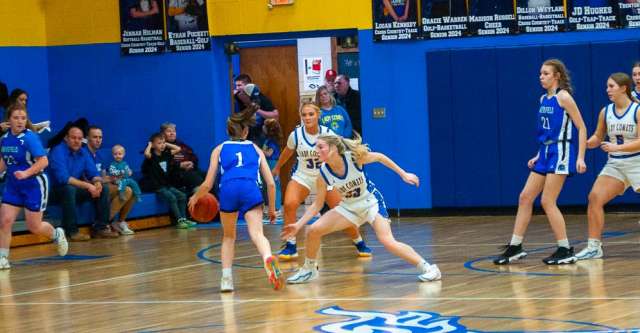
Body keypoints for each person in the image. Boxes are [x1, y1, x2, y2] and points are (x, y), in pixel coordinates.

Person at [281, 134, 441, 284]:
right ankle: (309, 269)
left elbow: (379, 157)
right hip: (349, 207)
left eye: (320, 147)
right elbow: (317, 204)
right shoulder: (323, 172)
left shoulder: (353, 158)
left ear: (333, 148)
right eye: (316, 147)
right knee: (313, 230)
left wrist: (403, 174)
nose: (316, 151)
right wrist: (298, 225)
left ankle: (429, 268)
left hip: (370, 202)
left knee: (387, 241)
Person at [493, 59, 587, 265]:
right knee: (525, 197)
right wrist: (538, 154)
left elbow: (581, 127)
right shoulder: (543, 98)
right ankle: (515, 246)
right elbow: (546, 132)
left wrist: (580, 157)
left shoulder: (564, 97)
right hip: (545, 151)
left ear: (557, 76)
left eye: (545, 73)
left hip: (561, 151)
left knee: (547, 201)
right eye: (540, 74)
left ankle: (565, 249)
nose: (541, 77)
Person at [189, 105, 283, 292]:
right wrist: (271, 209)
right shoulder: (255, 148)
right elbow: (271, 183)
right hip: (250, 189)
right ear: (246, 131)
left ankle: (226, 279)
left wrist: (195, 197)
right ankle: (267, 259)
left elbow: (208, 184)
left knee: (229, 236)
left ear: (228, 131)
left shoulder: (219, 149)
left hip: (229, 190)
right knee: (257, 234)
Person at [272, 103, 371, 260]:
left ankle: (359, 242)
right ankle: (290, 246)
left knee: (342, 210)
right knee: (289, 204)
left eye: (311, 114)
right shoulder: (296, 135)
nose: (307, 117)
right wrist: (277, 167)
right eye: (304, 115)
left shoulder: (328, 134)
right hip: (303, 176)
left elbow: (342, 150)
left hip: (326, 177)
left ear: (318, 115)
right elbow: (287, 152)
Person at [574, 73, 640, 260]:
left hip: (637, 162)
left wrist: (617, 147)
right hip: (616, 164)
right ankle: (594, 247)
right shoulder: (606, 111)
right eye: (607, 86)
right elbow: (598, 135)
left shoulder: (637, 110)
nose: (607, 90)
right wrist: (587, 142)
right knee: (594, 197)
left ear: (623, 88)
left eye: (611, 86)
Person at [0, 103, 68, 269]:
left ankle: (57, 234)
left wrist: (26, 173)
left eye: (23, 118)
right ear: (9, 120)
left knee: (34, 227)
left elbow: (43, 161)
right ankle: (3, 258)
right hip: (13, 185)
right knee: (5, 221)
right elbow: (4, 160)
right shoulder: (4, 139)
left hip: (34, 184)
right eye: (16, 118)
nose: (20, 121)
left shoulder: (30, 138)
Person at [49, 127, 119, 240]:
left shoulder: (83, 152)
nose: (77, 141)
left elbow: (93, 173)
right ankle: (72, 232)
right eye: (73, 138)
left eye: (79, 138)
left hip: (74, 189)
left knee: (104, 188)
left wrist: (97, 183)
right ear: (66, 138)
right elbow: (64, 178)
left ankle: (100, 228)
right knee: (68, 188)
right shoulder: (57, 151)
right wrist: (88, 185)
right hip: (55, 191)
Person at [85, 126, 136, 235]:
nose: (98, 140)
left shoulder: (99, 155)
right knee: (127, 191)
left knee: (132, 190)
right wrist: (105, 180)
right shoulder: (84, 154)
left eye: (100, 137)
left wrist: (114, 178)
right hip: (90, 187)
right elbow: (85, 177)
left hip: (103, 185)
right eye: (95, 137)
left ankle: (119, 221)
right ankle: (101, 223)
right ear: (87, 138)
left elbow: (104, 174)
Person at [141, 132, 196, 229]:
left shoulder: (166, 154)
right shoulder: (151, 157)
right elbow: (146, 154)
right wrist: (150, 145)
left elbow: (178, 148)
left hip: (166, 184)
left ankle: (183, 219)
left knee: (182, 196)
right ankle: (179, 220)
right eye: (159, 143)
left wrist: (165, 143)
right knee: (172, 197)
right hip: (157, 186)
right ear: (153, 145)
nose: (162, 145)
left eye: (163, 143)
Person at [233, 74, 279, 144]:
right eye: (236, 86)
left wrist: (255, 108)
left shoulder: (260, 98)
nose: (237, 88)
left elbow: (275, 115)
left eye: (239, 85)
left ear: (248, 86)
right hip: (245, 135)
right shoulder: (238, 95)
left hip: (260, 135)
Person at [160, 122, 203, 195]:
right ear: (162, 134)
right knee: (194, 178)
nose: (172, 133)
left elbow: (194, 157)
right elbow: (161, 163)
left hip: (189, 170)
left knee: (208, 176)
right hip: (173, 175)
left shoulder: (182, 145)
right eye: (169, 131)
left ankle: (216, 203)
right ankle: (198, 201)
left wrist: (192, 163)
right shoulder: (160, 147)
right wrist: (179, 165)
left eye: (174, 131)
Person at [261, 118, 283, 218]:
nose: (263, 127)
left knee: (274, 184)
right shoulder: (268, 140)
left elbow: (269, 153)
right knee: (268, 185)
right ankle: (271, 206)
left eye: (265, 126)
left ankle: (276, 208)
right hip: (268, 163)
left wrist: (260, 151)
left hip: (272, 163)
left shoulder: (272, 141)